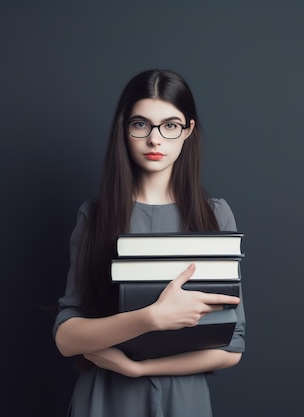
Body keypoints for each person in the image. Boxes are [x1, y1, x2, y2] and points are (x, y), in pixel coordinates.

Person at [53, 69, 246, 417]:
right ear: (124, 129)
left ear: (188, 130)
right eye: (141, 124)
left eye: (170, 125)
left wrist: (140, 369)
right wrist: (150, 318)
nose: (155, 140)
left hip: (184, 402)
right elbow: (67, 338)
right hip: (106, 400)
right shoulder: (94, 216)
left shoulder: (215, 215)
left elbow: (232, 348)